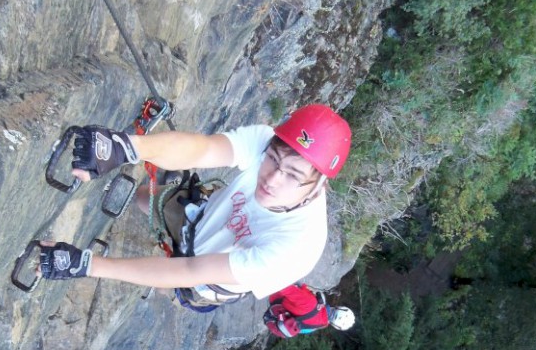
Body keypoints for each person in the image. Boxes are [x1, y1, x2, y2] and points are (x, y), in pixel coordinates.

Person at [40, 104, 351, 309]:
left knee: (178, 288)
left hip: (210, 278)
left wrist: (89, 265)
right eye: (272, 160)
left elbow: (188, 270)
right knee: (147, 198)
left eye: (294, 175)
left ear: (320, 184)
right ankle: (139, 197)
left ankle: (164, 289)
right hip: (203, 215)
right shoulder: (269, 141)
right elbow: (203, 150)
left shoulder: (295, 250)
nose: (273, 179)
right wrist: (126, 147)